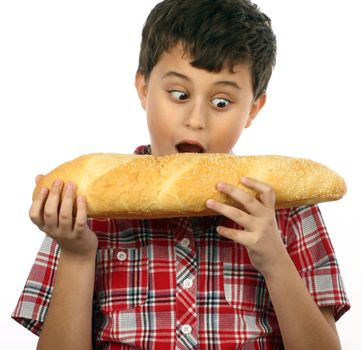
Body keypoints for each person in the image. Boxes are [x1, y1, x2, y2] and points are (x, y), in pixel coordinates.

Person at [12, 0, 350, 349]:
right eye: (179, 94)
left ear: (253, 108)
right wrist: (77, 255)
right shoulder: (83, 209)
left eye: (221, 102)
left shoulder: (287, 206)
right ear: (144, 88)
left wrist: (275, 261)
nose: (196, 119)